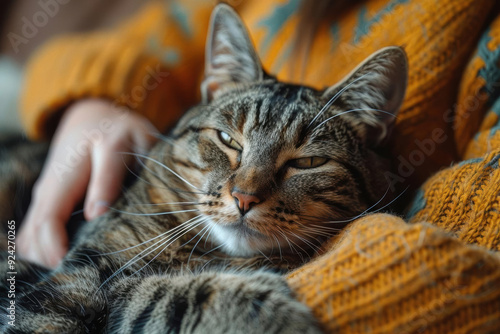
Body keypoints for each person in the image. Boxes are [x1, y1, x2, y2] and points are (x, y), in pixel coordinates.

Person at [6, 0, 500, 331]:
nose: (246, 191)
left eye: (305, 162)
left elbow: (468, 274)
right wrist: (95, 100)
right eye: (226, 140)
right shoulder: (159, 197)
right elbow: (67, 300)